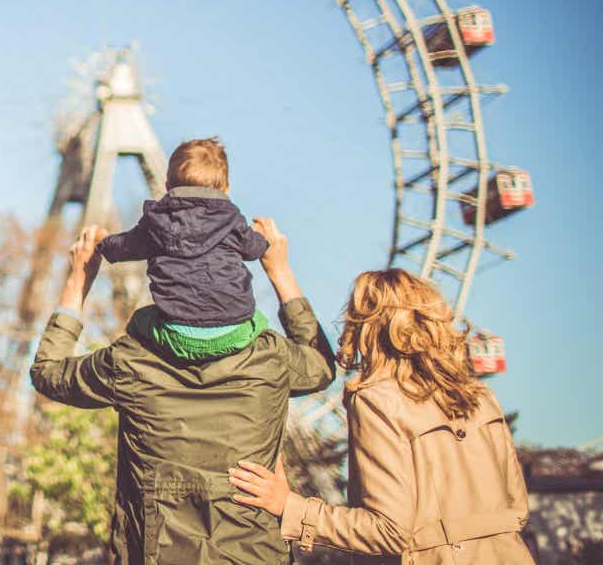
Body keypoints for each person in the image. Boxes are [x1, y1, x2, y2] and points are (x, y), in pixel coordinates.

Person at [31, 219, 334, 564]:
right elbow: (322, 366)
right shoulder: (271, 358)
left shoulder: (131, 360)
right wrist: (280, 272)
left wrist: (79, 279)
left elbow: (47, 372)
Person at [229, 269, 533, 564]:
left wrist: (291, 508)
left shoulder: (377, 401)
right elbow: (517, 507)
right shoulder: (480, 396)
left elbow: (390, 531)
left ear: (366, 328)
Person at [97, 137, 270, 361]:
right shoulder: (233, 221)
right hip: (234, 332)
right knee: (258, 319)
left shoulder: (155, 223)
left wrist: (102, 243)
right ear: (226, 189)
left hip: (177, 336)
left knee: (140, 320)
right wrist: (263, 237)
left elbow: (123, 247)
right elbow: (254, 250)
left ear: (167, 187)